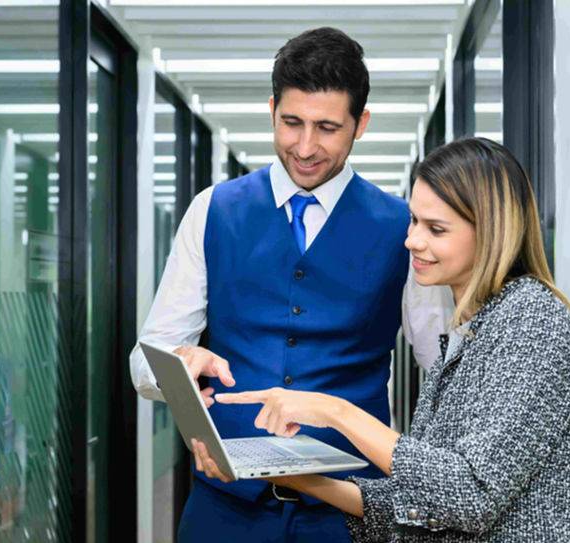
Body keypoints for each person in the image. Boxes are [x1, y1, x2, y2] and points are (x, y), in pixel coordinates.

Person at [130, 27, 452, 542]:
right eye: (291, 123)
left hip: (349, 516)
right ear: (272, 109)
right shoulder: (212, 211)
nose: (305, 147)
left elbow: (440, 368)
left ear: (360, 124)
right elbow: (145, 360)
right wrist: (181, 369)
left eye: (326, 127)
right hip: (223, 509)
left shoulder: (404, 228)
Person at [196, 137, 570, 542]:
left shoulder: (532, 319)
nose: (412, 241)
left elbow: (470, 495)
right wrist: (283, 474)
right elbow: (420, 505)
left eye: (436, 229)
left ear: (492, 233)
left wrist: (336, 412)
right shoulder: (469, 330)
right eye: (414, 221)